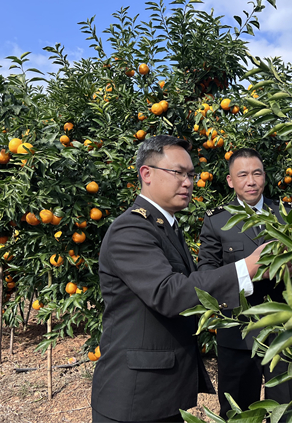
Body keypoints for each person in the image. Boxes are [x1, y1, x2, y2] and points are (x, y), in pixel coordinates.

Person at [91, 136, 268, 423]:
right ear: (146, 174)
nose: (188, 182)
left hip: (159, 393)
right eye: (178, 173)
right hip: (135, 398)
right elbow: (168, 293)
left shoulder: (165, 227)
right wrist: (246, 268)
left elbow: (191, 285)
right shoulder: (131, 229)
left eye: (191, 175)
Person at [197, 148, 292, 418]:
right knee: (239, 413)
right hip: (238, 332)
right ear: (230, 181)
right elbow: (207, 273)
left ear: (264, 176)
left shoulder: (287, 213)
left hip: (283, 331)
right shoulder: (217, 220)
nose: (251, 181)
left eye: (257, 173)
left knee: (287, 411)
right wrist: (249, 272)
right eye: (242, 175)